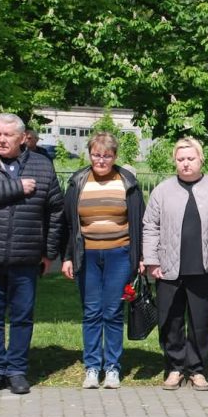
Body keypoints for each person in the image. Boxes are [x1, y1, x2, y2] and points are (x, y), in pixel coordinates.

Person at [0, 113, 64, 395]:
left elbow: (56, 211)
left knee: (22, 316)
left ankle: (16, 370)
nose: (1, 140)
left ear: (22, 138)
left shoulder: (42, 166)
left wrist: (49, 252)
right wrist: (16, 187)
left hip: (26, 256)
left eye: (7, 135)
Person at [143, 137, 208, 391]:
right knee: (170, 320)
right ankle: (174, 368)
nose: (186, 163)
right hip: (168, 267)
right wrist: (151, 260)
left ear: (200, 159)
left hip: (205, 267)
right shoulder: (162, 191)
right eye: (181, 159)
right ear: (175, 161)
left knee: (200, 321)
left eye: (191, 158)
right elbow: (150, 226)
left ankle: (196, 369)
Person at [61, 132, 145, 389]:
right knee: (91, 311)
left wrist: (141, 256)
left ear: (114, 156)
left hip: (119, 254)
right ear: (90, 155)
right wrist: (67, 257)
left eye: (107, 156)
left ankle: (112, 368)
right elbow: (69, 224)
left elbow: (139, 222)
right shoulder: (78, 182)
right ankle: (92, 367)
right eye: (96, 155)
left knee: (112, 311)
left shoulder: (127, 182)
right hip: (86, 255)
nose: (101, 160)